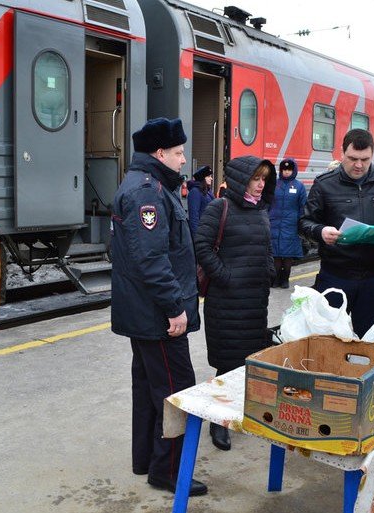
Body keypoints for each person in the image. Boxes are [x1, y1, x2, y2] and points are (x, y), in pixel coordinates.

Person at [110, 117, 207, 496]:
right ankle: (168, 470)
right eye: (179, 153)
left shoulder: (144, 186)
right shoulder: (147, 193)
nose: (184, 160)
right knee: (176, 389)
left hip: (143, 313)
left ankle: (145, 459)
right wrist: (174, 308)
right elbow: (151, 260)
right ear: (160, 153)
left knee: (149, 385)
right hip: (157, 316)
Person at [194, 156, 276, 451]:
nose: (260, 185)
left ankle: (240, 415)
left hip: (254, 302)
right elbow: (201, 246)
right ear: (242, 180)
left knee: (248, 362)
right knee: (227, 366)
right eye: (256, 179)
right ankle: (218, 423)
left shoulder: (261, 211)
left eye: (264, 179)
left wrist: (268, 270)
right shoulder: (220, 207)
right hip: (226, 304)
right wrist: (225, 277)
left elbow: (266, 247)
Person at [298, 128, 374, 336]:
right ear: (342, 153)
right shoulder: (324, 184)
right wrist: (321, 231)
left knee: (367, 338)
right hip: (335, 275)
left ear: (372, 155)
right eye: (352, 159)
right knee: (327, 337)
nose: (359, 165)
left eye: (365, 159)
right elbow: (304, 222)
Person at [269, 158, 307, 288]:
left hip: (291, 225)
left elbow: (303, 206)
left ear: (294, 170)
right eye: (284, 169)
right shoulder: (274, 184)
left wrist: (301, 223)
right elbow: (267, 203)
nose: (286, 172)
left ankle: (285, 279)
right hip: (274, 223)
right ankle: (275, 279)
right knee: (276, 255)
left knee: (288, 255)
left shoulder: (299, 186)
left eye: (289, 169)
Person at [186, 165, 215, 236]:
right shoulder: (195, 192)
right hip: (202, 234)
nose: (211, 179)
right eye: (208, 176)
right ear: (202, 178)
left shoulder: (208, 191)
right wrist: (197, 238)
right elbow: (194, 217)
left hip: (209, 231)